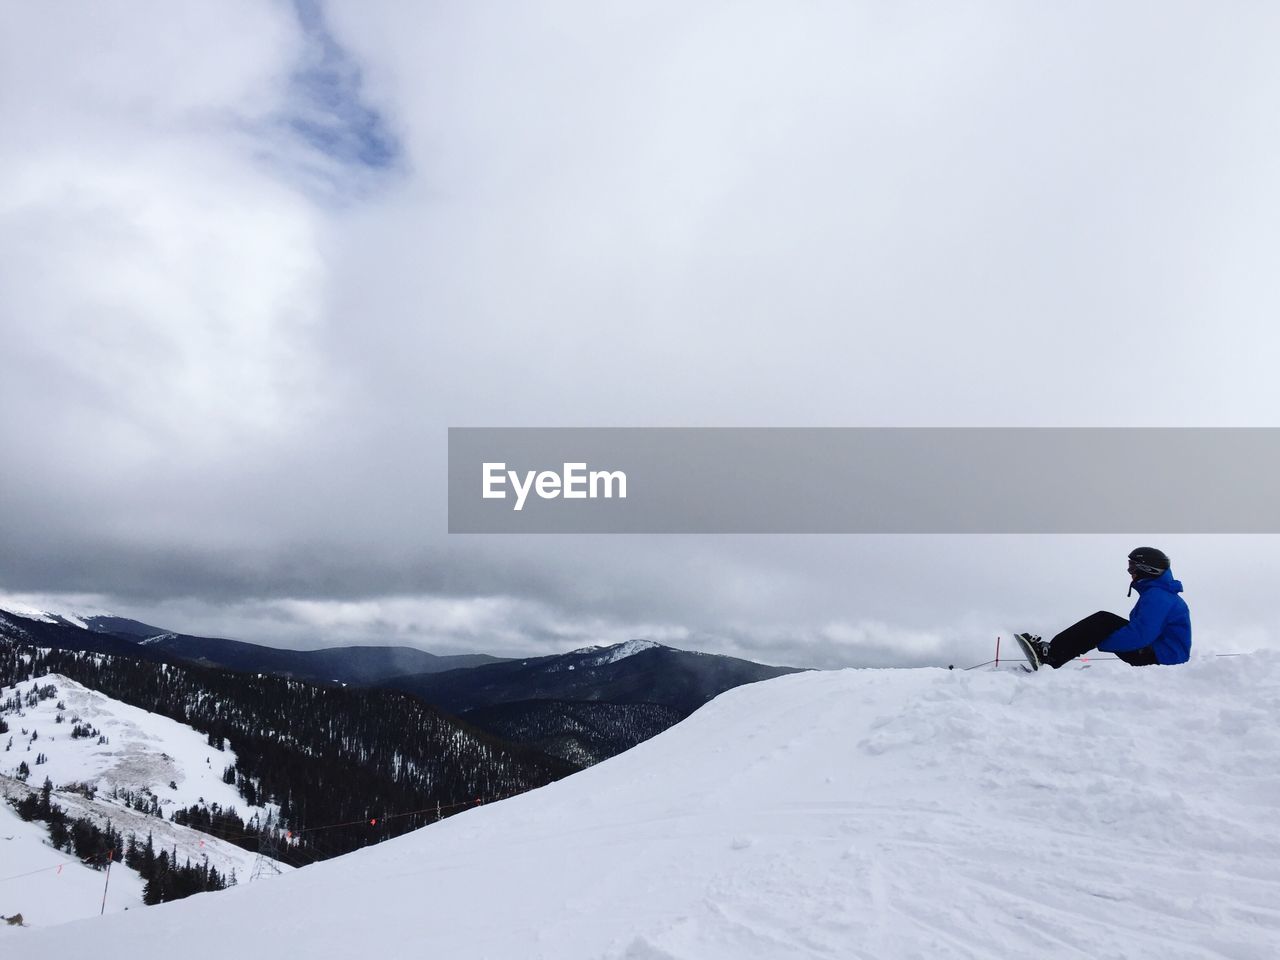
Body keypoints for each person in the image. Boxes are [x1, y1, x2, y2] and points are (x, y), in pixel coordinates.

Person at [1019, 547, 1191, 669]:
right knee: (1103, 623)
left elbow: (1141, 635)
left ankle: (1051, 655)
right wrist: (1092, 639)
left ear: (1148, 568)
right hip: (1160, 652)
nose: (1129, 571)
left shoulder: (1159, 597)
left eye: (1133, 566)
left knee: (1103, 622)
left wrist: (1097, 639)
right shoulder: (1159, 595)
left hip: (1160, 655)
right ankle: (1052, 655)